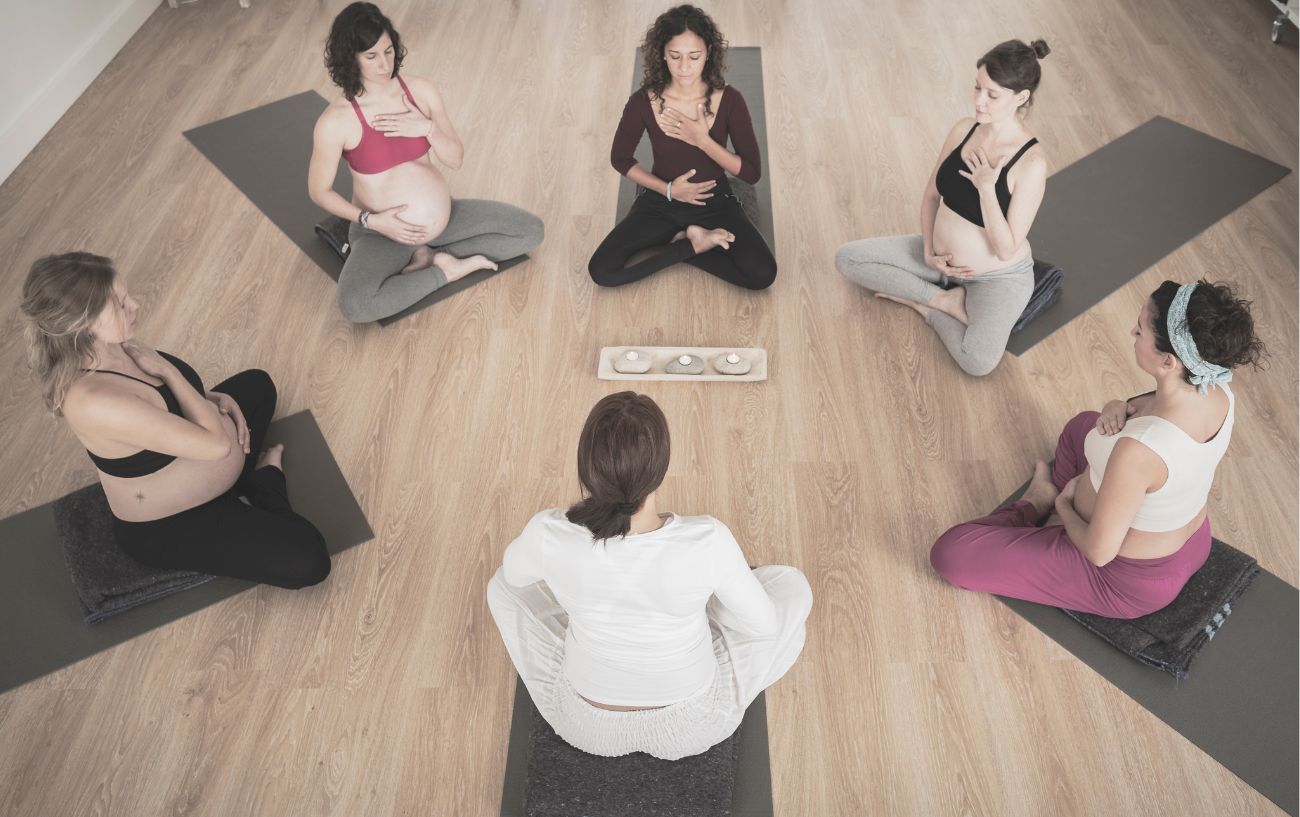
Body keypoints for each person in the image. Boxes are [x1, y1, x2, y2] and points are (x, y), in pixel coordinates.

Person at [488, 392, 811, 759]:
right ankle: (710, 608)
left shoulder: (548, 532)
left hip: (586, 726)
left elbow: (513, 579)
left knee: (500, 585)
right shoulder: (708, 539)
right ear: (660, 467)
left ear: (587, 467)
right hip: (691, 726)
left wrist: (574, 584)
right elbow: (765, 627)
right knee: (792, 586)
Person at [930, 280, 1266, 618]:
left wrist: (1065, 505)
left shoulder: (1140, 451)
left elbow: (1098, 552)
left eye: (1140, 331)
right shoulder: (1216, 387)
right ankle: (1056, 513)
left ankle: (1039, 502)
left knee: (951, 554)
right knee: (1084, 425)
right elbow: (1154, 425)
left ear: (1168, 361)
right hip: (1193, 543)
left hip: (1122, 578)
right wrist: (1116, 405)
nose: (1131, 331)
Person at [20, 252, 330, 588]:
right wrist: (168, 370)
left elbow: (160, 405)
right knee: (310, 561)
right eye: (121, 305)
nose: (135, 305)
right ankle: (264, 485)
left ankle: (234, 494)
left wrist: (210, 399)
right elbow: (217, 446)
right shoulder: (95, 401)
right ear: (85, 324)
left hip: (200, 457)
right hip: (172, 522)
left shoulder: (108, 346)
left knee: (258, 384)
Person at [309, 2, 544, 323]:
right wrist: (370, 221)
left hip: (444, 220)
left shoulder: (420, 91)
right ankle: (443, 270)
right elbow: (319, 191)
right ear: (350, 59)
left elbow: (455, 159)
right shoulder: (336, 121)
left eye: (388, 51)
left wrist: (427, 128)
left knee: (529, 232)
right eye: (371, 56)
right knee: (356, 304)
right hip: (384, 233)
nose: (384, 64)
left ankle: (428, 255)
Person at [835, 39, 1051, 376]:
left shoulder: (1032, 163)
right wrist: (929, 251)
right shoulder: (964, 129)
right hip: (939, 260)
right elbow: (931, 196)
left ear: (1021, 97)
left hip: (996, 276)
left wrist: (986, 190)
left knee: (978, 361)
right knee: (848, 258)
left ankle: (929, 309)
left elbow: (1006, 248)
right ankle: (944, 299)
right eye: (977, 87)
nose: (979, 100)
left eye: (992, 95)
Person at [588, 5, 776, 290]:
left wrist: (702, 140)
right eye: (675, 56)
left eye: (694, 56)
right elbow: (620, 158)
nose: (684, 67)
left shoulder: (730, 100)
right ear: (663, 53)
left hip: (716, 203)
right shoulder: (643, 101)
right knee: (601, 271)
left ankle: (681, 241)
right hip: (660, 202)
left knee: (763, 275)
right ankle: (690, 244)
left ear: (709, 52)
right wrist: (669, 190)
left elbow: (751, 173)